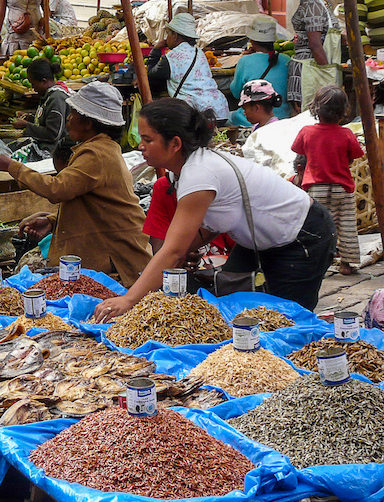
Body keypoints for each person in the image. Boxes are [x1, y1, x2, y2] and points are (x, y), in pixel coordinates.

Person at [93, 99, 337, 320]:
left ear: (175, 143)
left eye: (148, 140)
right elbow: (203, 230)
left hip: (303, 237)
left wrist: (130, 299)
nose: (141, 146)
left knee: (285, 318)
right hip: (259, 242)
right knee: (228, 300)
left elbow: (174, 251)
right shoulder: (184, 171)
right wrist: (160, 268)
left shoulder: (200, 173)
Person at [0, 82, 150, 286]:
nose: (68, 118)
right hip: (110, 252)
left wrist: (12, 167)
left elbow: (57, 189)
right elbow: (88, 203)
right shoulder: (101, 149)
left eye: (73, 113)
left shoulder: (97, 154)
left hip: (118, 258)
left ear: (88, 123)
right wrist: (52, 221)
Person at [292, 85, 363, 276]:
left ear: (315, 109)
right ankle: (346, 264)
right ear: (343, 111)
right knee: (346, 226)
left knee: (318, 227)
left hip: (316, 188)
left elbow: (299, 151)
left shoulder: (307, 132)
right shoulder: (346, 134)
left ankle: (317, 263)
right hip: (342, 188)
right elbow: (355, 154)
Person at [145, 11, 230, 122]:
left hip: (195, 115)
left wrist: (156, 49)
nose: (166, 38)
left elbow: (151, 75)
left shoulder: (172, 57)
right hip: (219, 110)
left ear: (175, 36)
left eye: (168, 34)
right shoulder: (199, 52)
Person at [288, 0, 342, 113]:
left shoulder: (322, 3)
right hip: (310, 72)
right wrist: (327, 74)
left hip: (316, 70)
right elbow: (315, 45)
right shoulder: (314, 6)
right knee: (309, 120)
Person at [228, 16, 290, 127]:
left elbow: (236, 93)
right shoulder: (286, 60)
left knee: (227, 117)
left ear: (252, 41)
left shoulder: (245, 61)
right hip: (283, 117)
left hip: (252, 120)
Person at [13, 58, 73, 156]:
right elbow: (46, 120)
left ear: (44, 81)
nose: (33, 88)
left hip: (55, 152)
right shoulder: (48, 95)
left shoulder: (56, 98)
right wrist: (30, 117)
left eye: (33, 84)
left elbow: (52, 134)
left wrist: (26, 125)